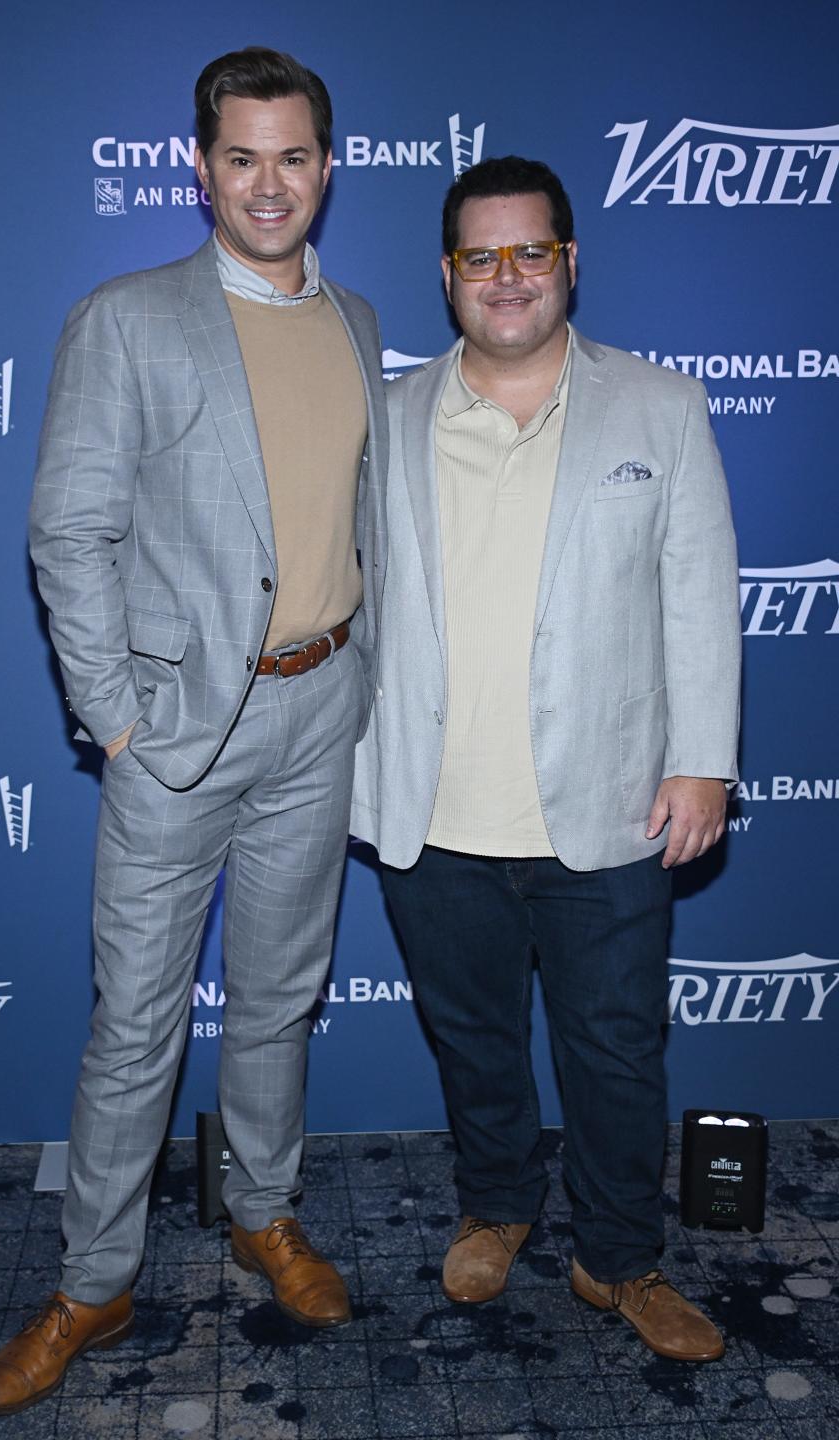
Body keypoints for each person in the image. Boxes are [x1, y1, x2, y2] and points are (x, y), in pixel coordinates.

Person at [0, 46, 386, 1417]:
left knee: (278, 1000)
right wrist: (119, 722)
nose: (271, 183)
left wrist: (362, 679)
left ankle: (264, 1213)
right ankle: (96, 1279)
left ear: (329, 167)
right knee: (135, 1023)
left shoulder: (358, 323)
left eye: (295, 156)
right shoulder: (127, 318)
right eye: (243, 157)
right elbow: (68, 530)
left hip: (321, 714)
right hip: (179, 739)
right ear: (199, 166)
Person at [351, 156, 740, 1363]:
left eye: (531, 252)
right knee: (473, 1040)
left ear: (570, 262)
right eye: (482, 255)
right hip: (438, 809)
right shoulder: (390, 413)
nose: (507, 277)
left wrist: (704, 762)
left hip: (612, 804)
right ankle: (499, 1206)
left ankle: (619, 1257)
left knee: (615, 1047)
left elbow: (699, 599)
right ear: (447, 275)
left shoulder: (660, 407)